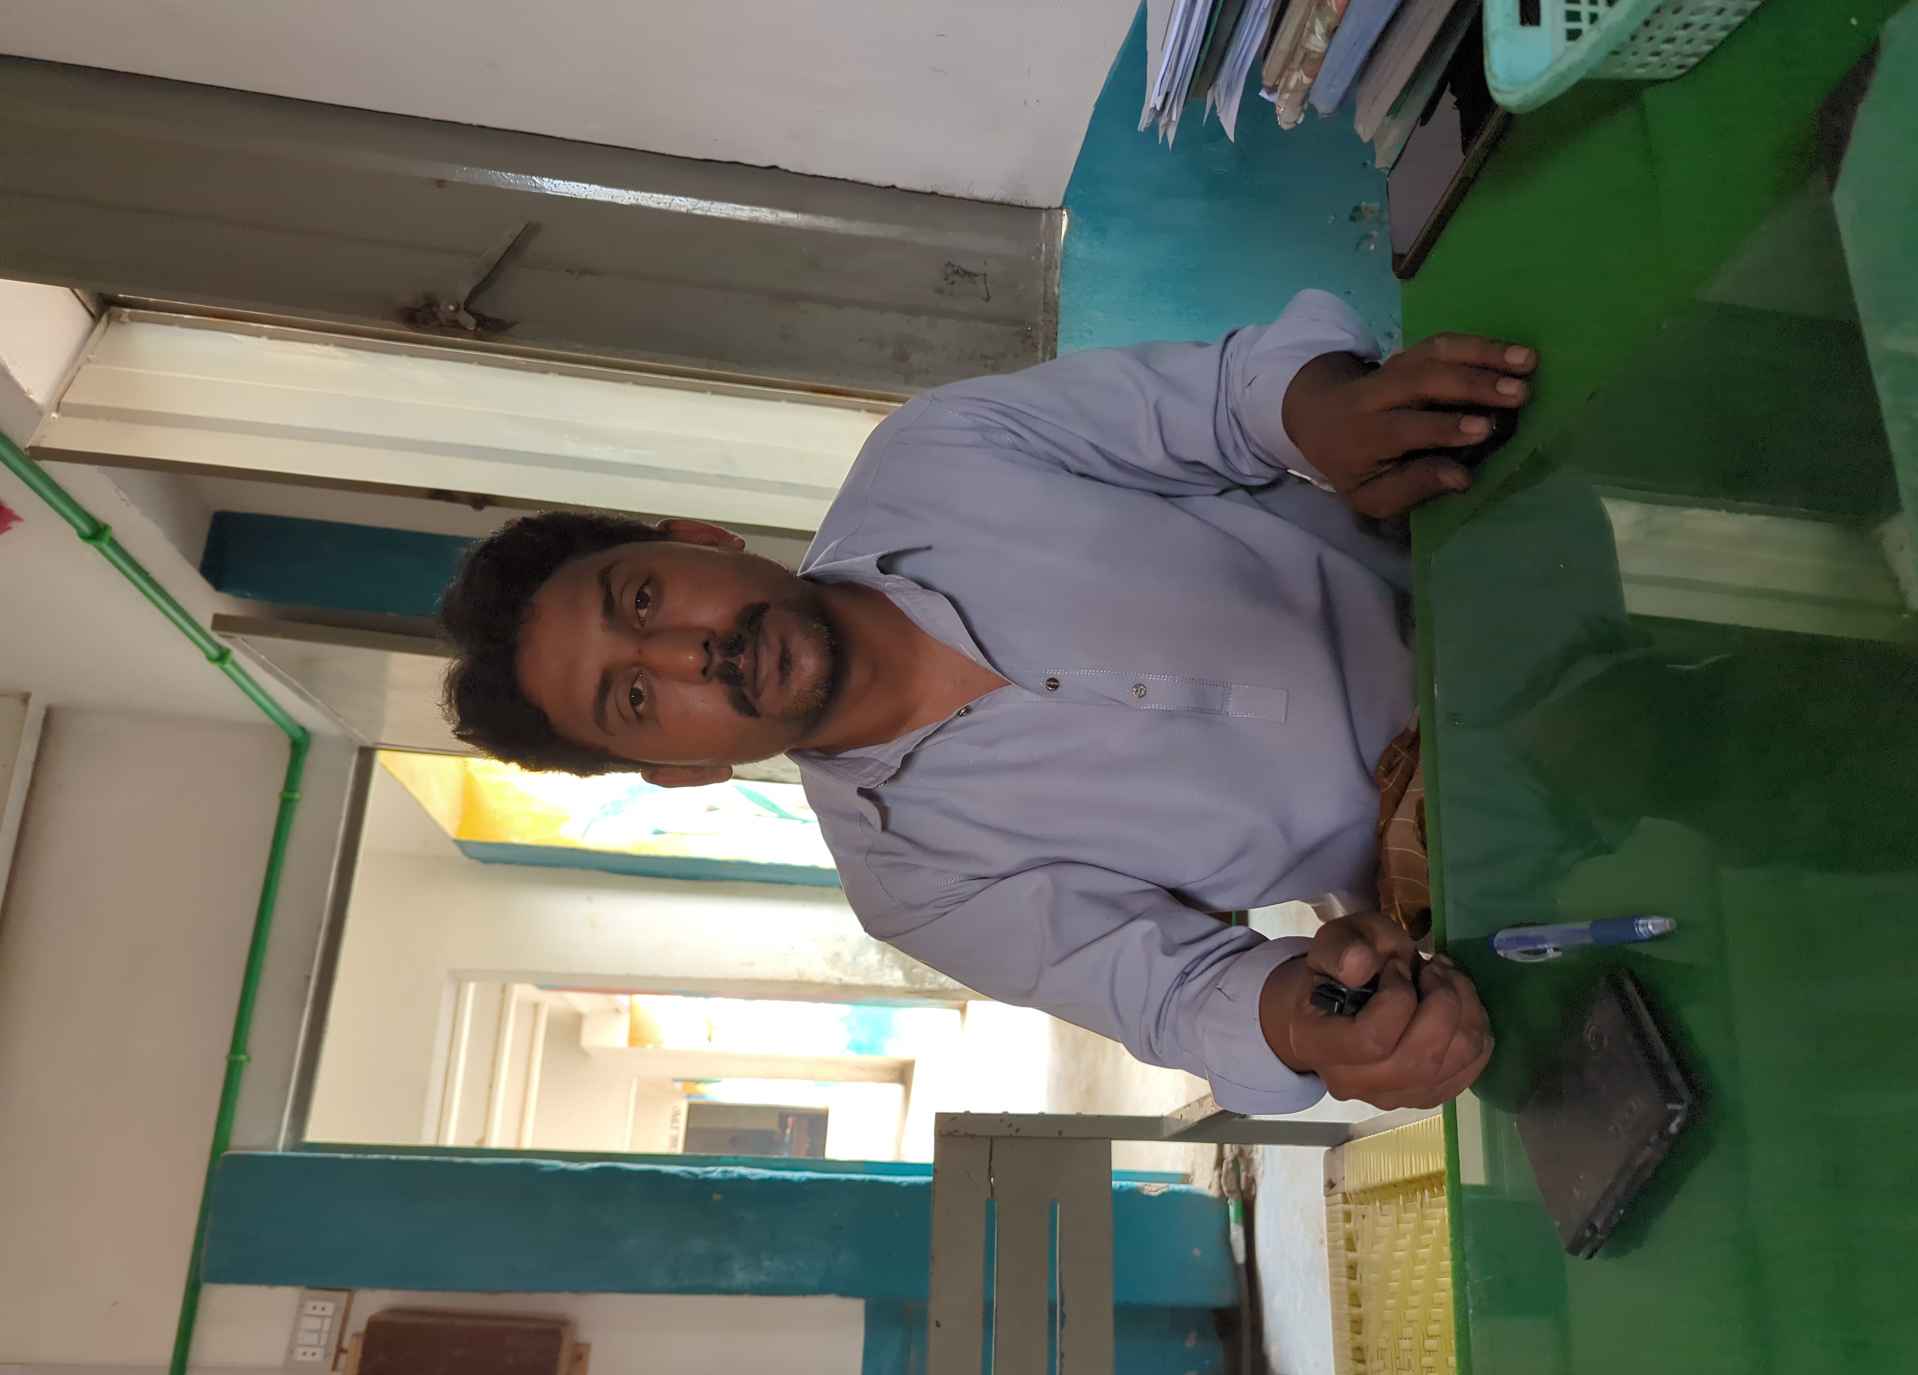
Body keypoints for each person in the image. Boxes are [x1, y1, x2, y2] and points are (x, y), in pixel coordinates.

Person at [439, 291, 1534, 1112]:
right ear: (682, 772)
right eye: (635, 697)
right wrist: (1317, 1024)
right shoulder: (916, 887)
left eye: (644, 599)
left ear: (700, 538)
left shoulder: (937, 455)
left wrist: (1322, 409)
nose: (694, 653)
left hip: (1499, 550)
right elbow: (1175, 996)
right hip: (1499, 840)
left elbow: (1220, 403)